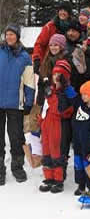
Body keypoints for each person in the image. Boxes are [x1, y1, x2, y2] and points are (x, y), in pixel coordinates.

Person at [0, 24, 35, 185]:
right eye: (7, 34)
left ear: (17, 37)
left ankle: (17, 167)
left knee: (16, 137)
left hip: (16, 103)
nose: (9, 37)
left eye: (12, 34)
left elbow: (29, 81)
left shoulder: (24, 56)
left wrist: (29, 99)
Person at [61, 79, 90, 195]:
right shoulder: (80, 105)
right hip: (78, 142)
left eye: (85, 94)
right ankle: (81, 185)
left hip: (89, 144)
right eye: (82, 94)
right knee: (78, 163)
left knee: (89, 164)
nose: (83, 96)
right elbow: (73, 97)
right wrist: (66, 85)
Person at [38, 60, 73, 193]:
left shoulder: (65, 93)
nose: (56, 77)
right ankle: (49, 178)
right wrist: (40, 122)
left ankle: (58, 180)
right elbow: (44, 107)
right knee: (46, 151)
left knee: (56, 153)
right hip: (46, 125)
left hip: (58, 126)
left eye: (59, 74)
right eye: (54, 74)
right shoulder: (51, 89)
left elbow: (60, 110)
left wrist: (51, 95)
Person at [32, 1, 73, 75]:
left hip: (67, 63)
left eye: (65, 11)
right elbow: (39, 44)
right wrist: (37, 59)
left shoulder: (73, 26)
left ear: (69, 13)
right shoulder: (49, 27)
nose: (62, 13)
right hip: (49, 63)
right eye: (60, 10)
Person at [36, 34, 68, 106]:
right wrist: (40, 99)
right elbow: (41, 83)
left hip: (60, 101)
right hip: (47, 100)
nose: (53, 48)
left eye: (56, 45)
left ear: (61, 46)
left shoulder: (66, 60)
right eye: (51, 45)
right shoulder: (46, 61)